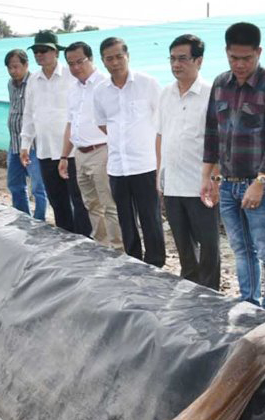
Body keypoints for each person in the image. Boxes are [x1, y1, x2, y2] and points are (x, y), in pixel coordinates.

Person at [202, 22, 265, 313]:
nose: (240, 64)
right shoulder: (220, 84)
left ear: (259, 52)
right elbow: (213, 133)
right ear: (226, 53)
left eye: (247, 58)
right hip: (227, 183)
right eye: (234, 58)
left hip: (257, 183)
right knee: (241, 249)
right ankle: (248, 304)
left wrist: (261, 181)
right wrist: (211, 176)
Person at [93, 37, 165, 266]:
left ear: (127, 56)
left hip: (145, 164)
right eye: (109, 58)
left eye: (118, 56)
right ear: (103, 61)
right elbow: (103, 123)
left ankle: (156, 263)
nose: (114, 62)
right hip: (117, 166)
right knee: (125, 218)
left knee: (150, 218)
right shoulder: (101, 91)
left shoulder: (148, 83)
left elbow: (162, 119)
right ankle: (134, 261)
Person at [157, 34, 220, 289]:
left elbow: (219, 142)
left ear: (199, 60)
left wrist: (215, 180)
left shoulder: (211, 94)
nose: (176, 64)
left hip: (200, 183)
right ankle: (190, 288)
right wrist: (158, 173)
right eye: (172, 59)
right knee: (183, 244)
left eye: (182, 58)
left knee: (208, 245)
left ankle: (210, 293)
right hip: (172, 182)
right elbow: (160, 134)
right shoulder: (165, 94)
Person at [20, 30, 91, 236]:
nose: (39, 54)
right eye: (36, 51)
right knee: (57, 200)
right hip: (45, 150)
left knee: (79, 200)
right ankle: (66, 239)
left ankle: (84, 240)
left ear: (56, 52)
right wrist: (25, 144)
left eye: (44, 50)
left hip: (71, 151)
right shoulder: (33, 80)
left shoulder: (71, 75)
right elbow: (29, 113)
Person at [59, 41, 123, 249]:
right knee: (91, 204)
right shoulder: (74, 89)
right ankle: (101, 244)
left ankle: (118, 249)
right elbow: (71, 124)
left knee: (109, 204)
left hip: (101, 150)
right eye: (71, 63)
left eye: (80, 61)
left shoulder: (105, 84)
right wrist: (63, 156)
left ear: (91, 59)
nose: (76, 67)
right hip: (80, 153)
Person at [4, 49, 47, 220]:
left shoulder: (35, 82)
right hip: (14, 142)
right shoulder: (10, 84)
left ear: (26, 65)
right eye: (9, 68)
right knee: (15, 183)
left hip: (33, 144)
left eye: (16, 66)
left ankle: (39, 219)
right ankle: (22, 217)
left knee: (38, 186)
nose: (13, 71)